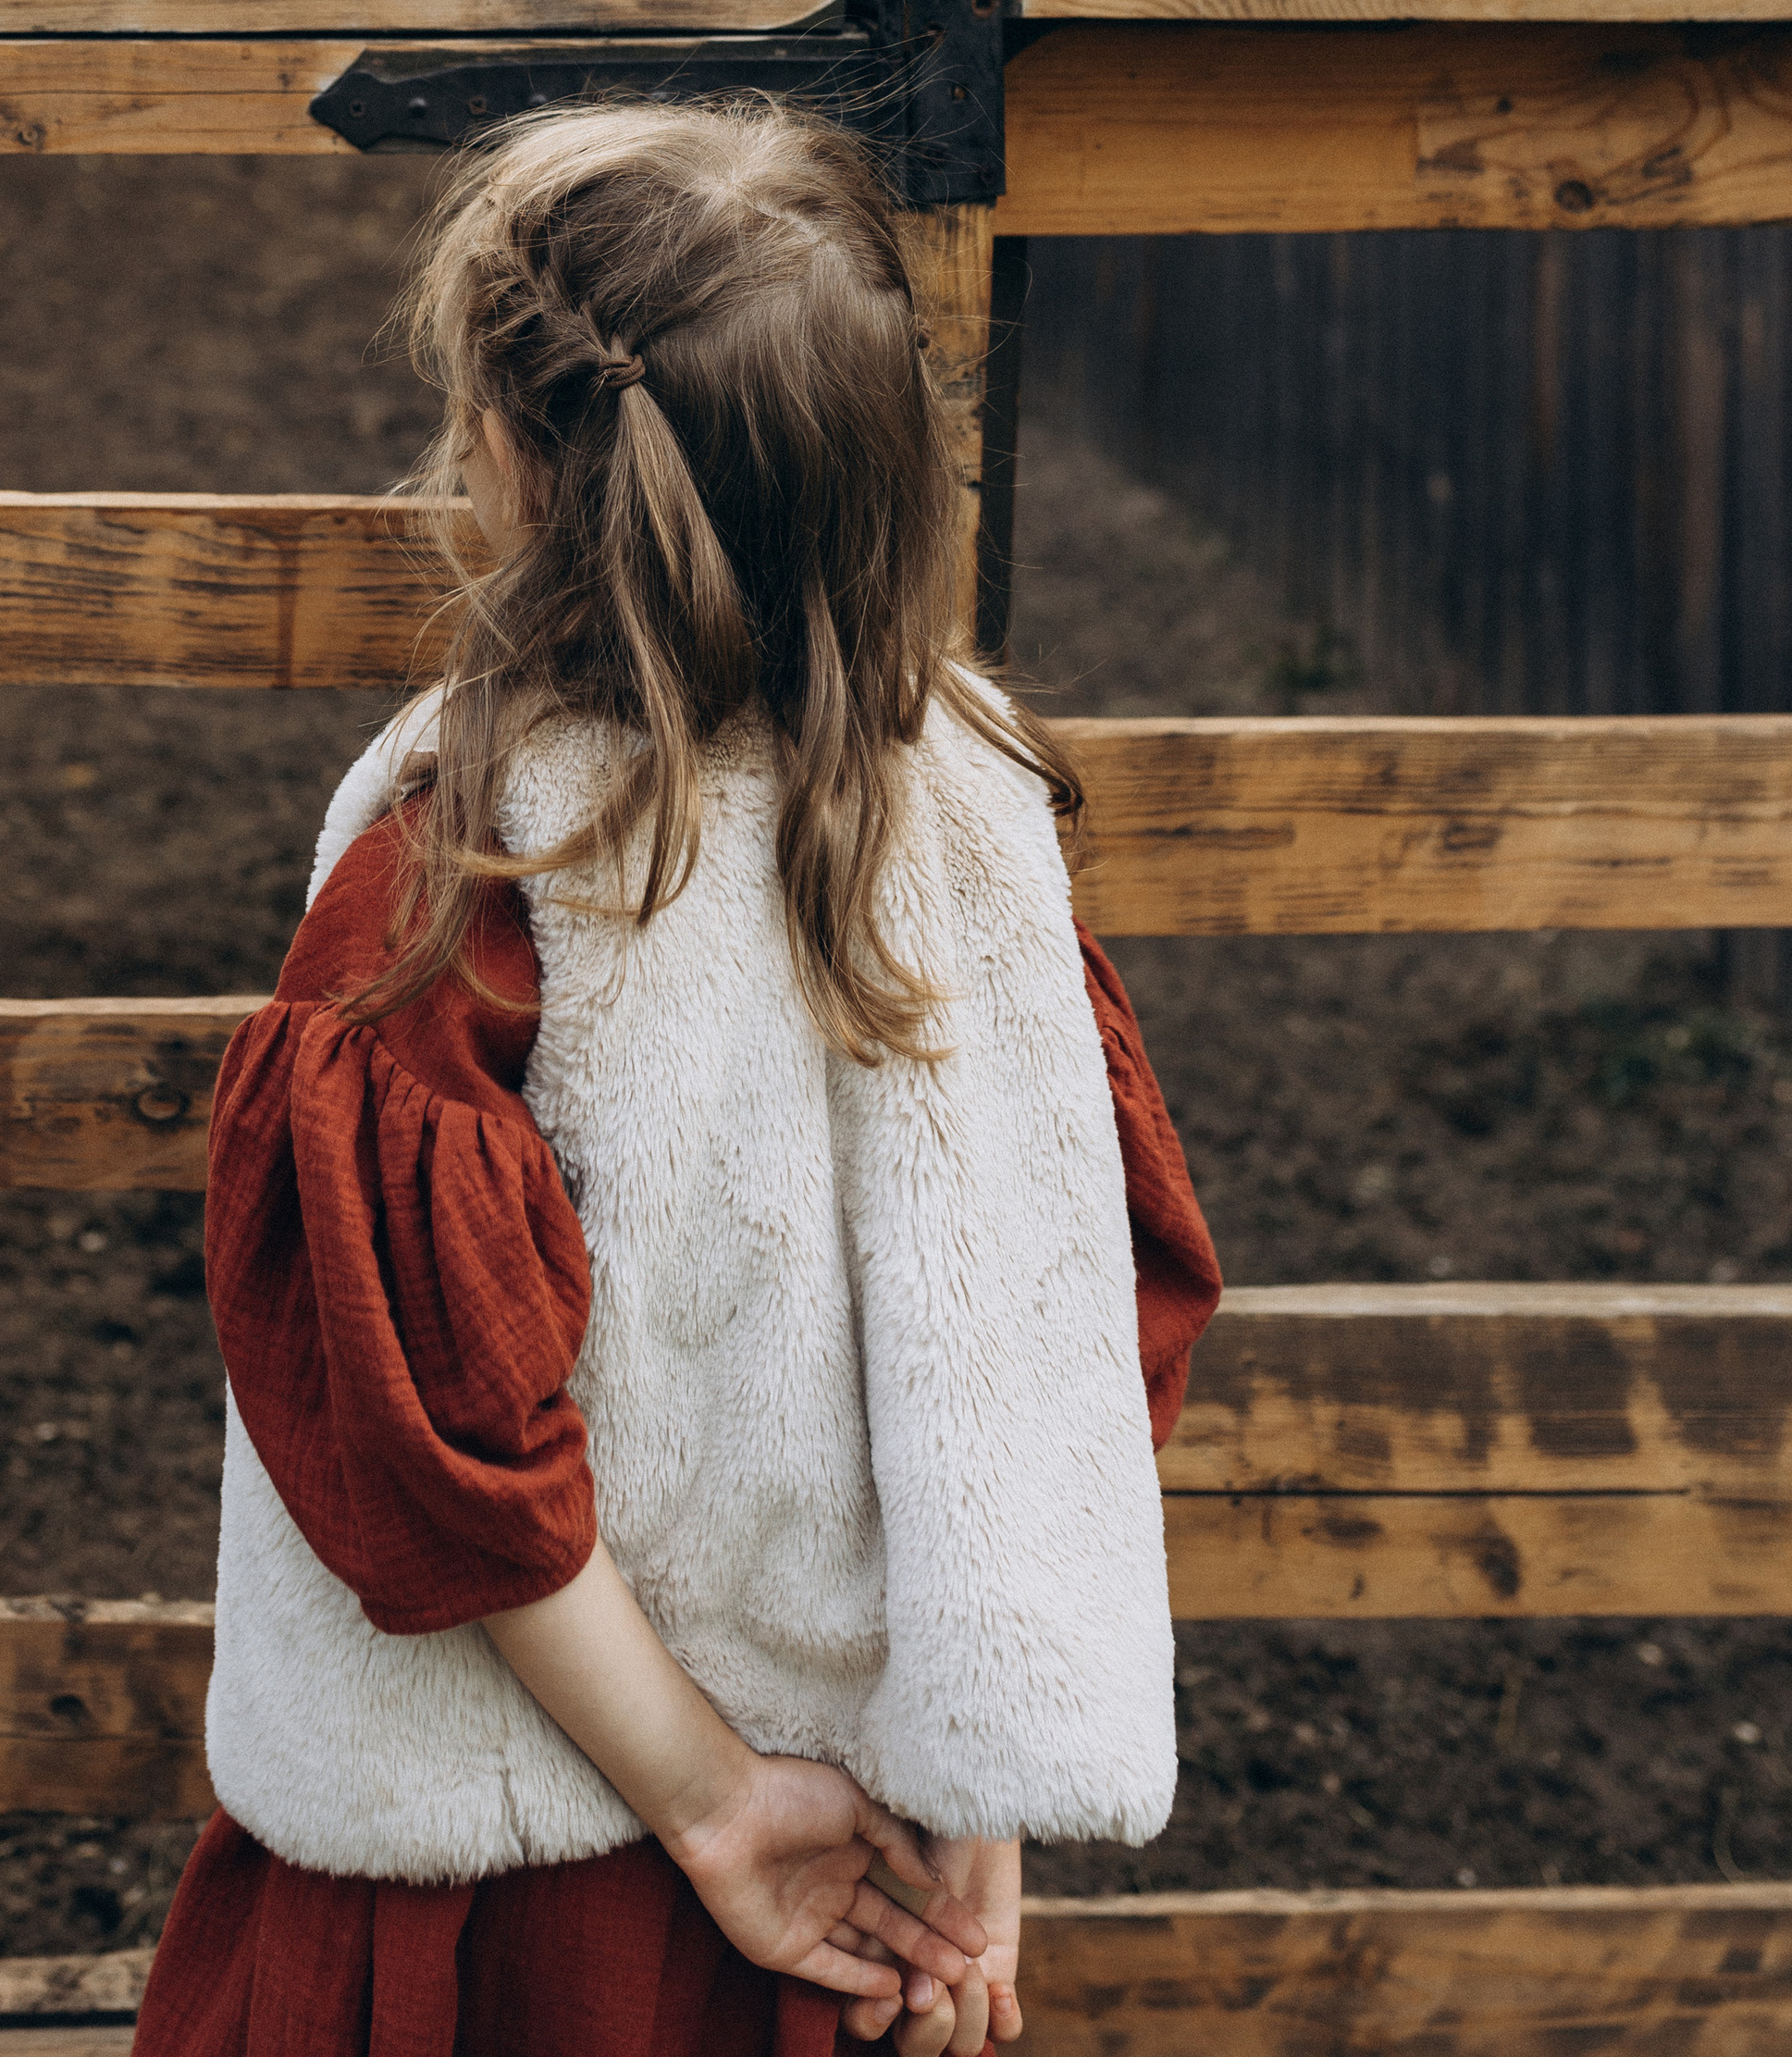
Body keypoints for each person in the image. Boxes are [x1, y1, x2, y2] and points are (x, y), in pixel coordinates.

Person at [133, 103, 1220, 2057]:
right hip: (848, 1859)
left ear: (509, 454)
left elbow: (414, 1418)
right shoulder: (974, 821)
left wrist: (715, 1799)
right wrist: (974, 1783)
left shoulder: (458, 874)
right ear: (887, 462)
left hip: (504, 1894)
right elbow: (1061, 1335)